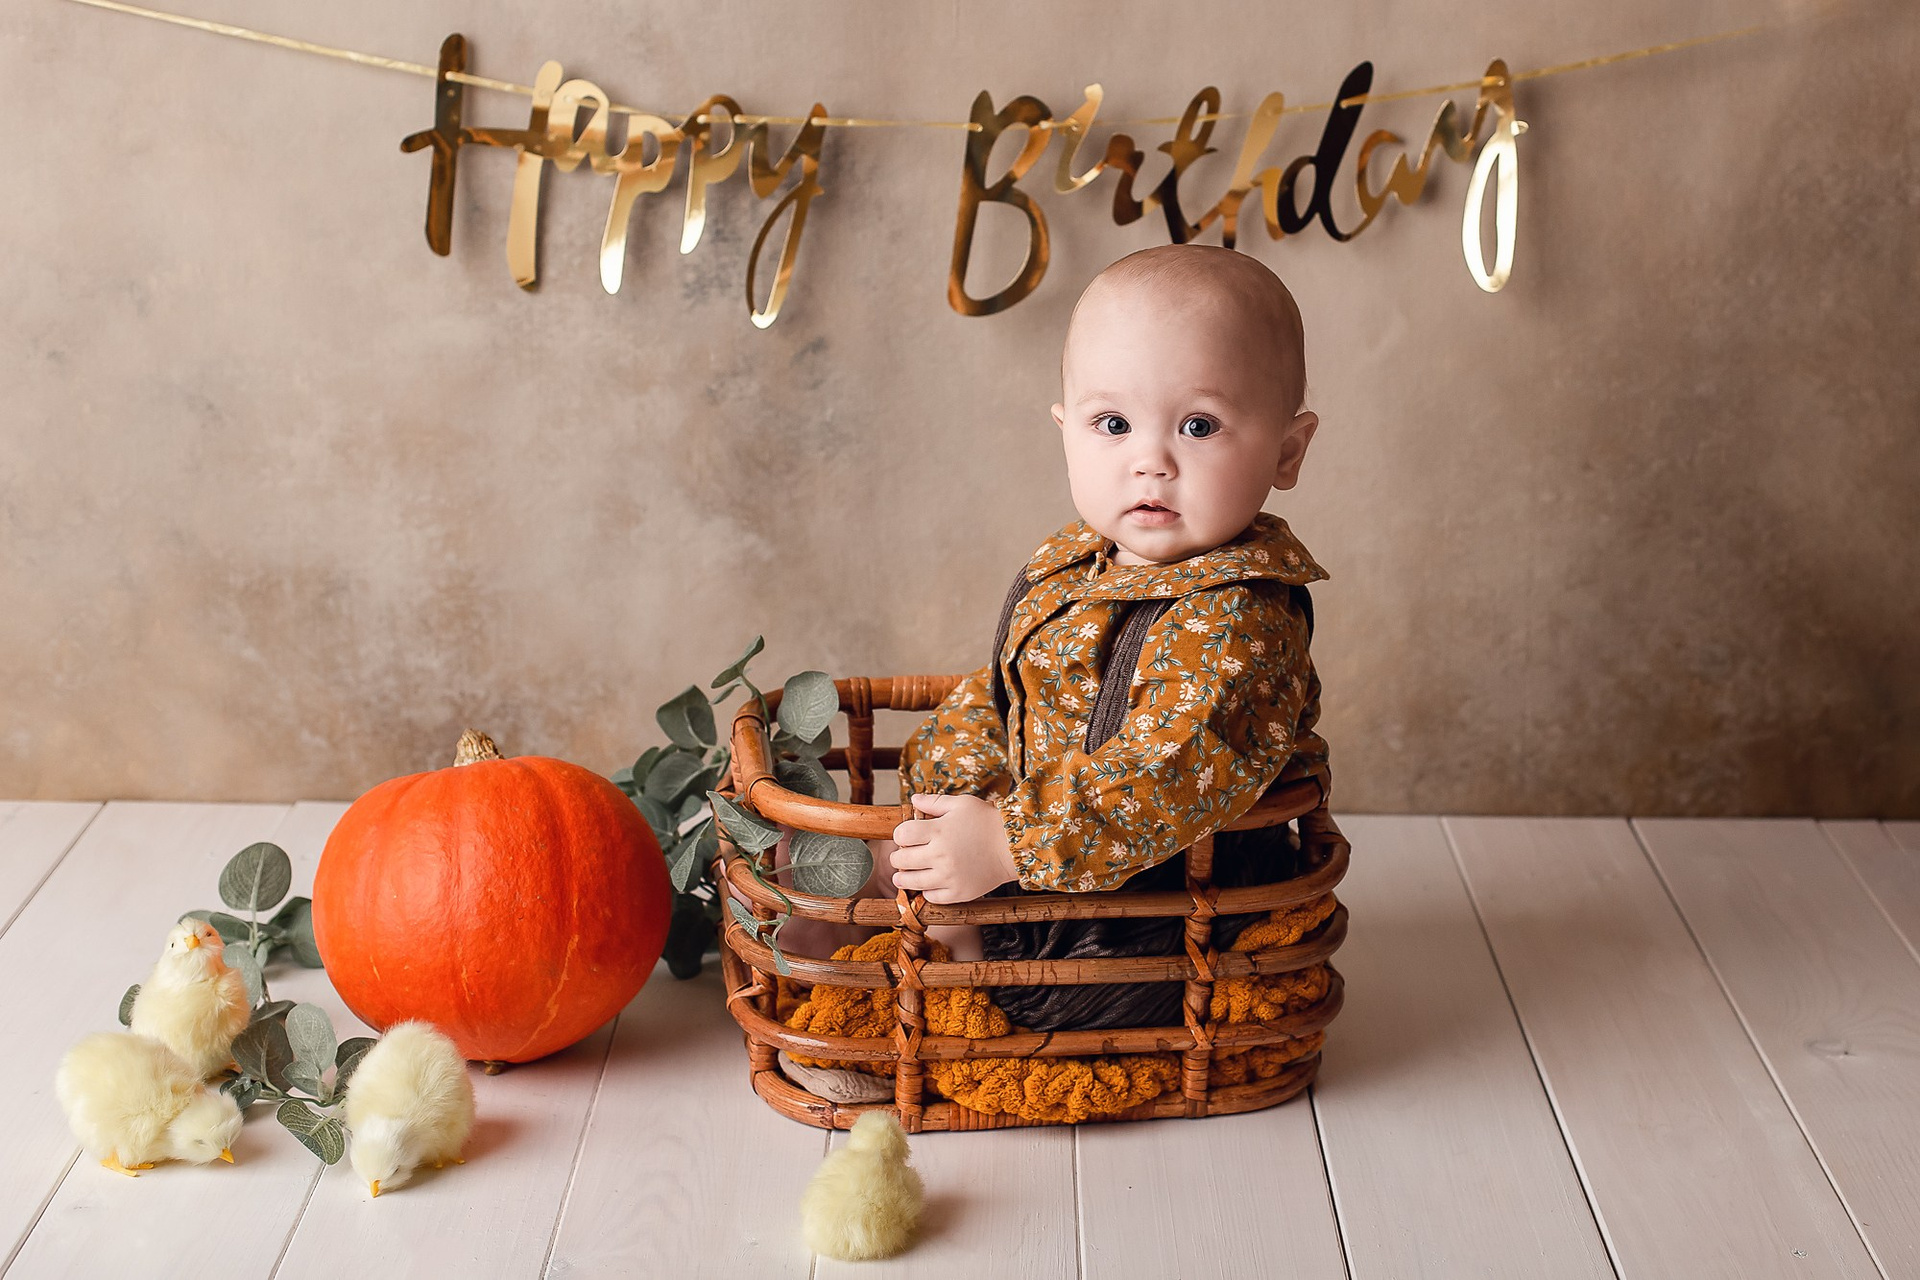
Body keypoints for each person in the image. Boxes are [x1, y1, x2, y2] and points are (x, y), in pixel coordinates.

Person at [777, 242, 1331, 1033]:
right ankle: (906, 916)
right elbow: (1011, 692)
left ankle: (938, 991)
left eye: (1199, 425)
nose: (1151, 461)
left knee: (1031, 979)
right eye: (1114, 424)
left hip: (1161, 907)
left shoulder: (1238, 625)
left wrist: (1006, 843)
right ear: (1067, 432)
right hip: (1059, 856)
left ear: (1286, 450)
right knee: (924, 861)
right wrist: (949, 791)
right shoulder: (1080, 563)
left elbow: (1160, 777)